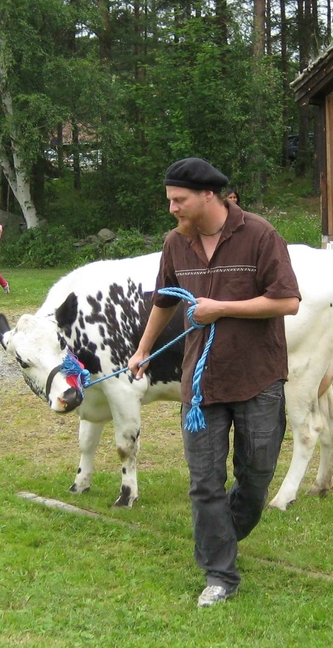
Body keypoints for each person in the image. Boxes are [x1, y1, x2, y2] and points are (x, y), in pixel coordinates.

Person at [127, 158, 301, 607]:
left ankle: (221, 536)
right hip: (201, 388)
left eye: (178, 200)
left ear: (209, 195)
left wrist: (221, 308)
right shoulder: (175, 244)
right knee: (204, 482)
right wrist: (143, 349)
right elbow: (165, 300)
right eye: (169, 200)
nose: (172, 209)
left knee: (257, 474)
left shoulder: (260, 235)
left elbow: (287, 302)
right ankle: (219, 574)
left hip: (258, 377)